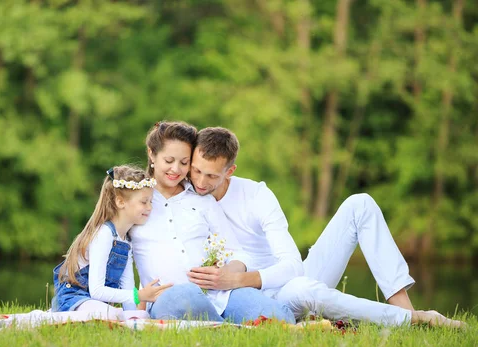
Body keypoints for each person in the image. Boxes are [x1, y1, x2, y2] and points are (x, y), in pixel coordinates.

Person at [187, 126, 464, 328]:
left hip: (283, 285)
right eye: (196, 171)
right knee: (308, 291)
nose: (200, 182)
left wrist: (238, 280)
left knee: (361, 204)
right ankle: (412, 321)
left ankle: (407, 312)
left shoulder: (256, 196)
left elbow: (293, 266)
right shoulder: (185, 196)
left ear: (230, 171)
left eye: (211, 175)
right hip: (241, 298)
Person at [130, 121, 295, 324]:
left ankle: (216, 324)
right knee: (185, 296)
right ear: (151, 154)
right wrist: (135, 299)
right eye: (169, 160)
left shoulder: (203, 201)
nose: (176, 169)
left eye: (184, 162)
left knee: (280, 318)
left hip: (220, 294)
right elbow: (115, 255)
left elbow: (238, 253)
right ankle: (228, 326)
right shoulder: (135, 199)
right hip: (167, 297)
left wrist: (227, 274)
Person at [51, 165, 172, 319]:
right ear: (121, 202)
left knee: (141, 315)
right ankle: (50, 314)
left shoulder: (126, 241)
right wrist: (139, 295)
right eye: (144, 202)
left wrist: (133, 315)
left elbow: (128, 288)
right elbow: (97, 291)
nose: (150, 207)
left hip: (97, 303)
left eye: (150, 201)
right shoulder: (104, 234)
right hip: (74, 298)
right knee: (114, 314)